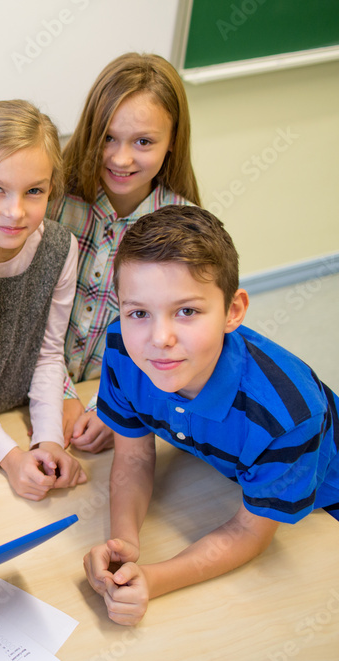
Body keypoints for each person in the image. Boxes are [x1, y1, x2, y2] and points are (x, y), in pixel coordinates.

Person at [83, 206, 339, 626]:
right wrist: (123, 542)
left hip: (327, 506)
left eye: (186, 311)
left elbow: (249, 532)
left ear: (233, 311)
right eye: (138, 313)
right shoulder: (122, 350)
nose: (159, 339)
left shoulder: (290, 415)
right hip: (238, 477)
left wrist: (154, 579)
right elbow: (133, 458)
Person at [49, 53, 200, 454]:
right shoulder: (50, 201)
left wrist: (107, 405)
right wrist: (60, 393)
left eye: (144, 142)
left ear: (172, 143)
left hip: (130, 402)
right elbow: (25, 312)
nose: (120, 158)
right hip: (37, 390)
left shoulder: (186, 229)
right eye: (108, 138)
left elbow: (178, 342)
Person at [0, 100, 87, 501]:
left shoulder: (59, 248)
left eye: (34, 191)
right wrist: (10, 458)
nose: (15, 211)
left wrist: (48, 440)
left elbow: (48, 353)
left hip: (13, 418)